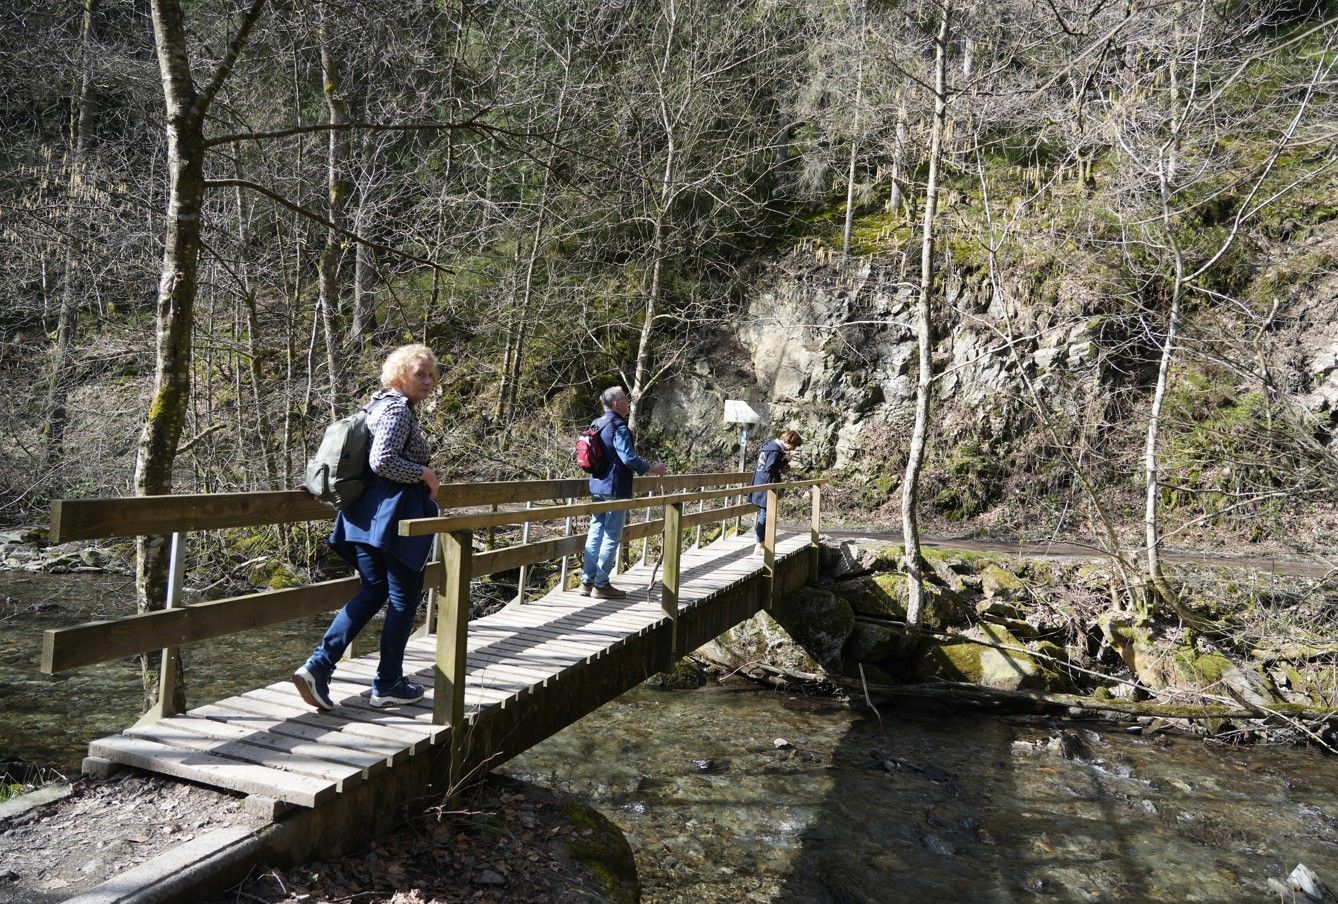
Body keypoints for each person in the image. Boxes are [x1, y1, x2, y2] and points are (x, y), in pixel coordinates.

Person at [294, 344, 442, 711]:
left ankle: (318, 666)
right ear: (400, 375)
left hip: (363, 517)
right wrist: (423, 472)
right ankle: (388, 683)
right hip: (391, 520)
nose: (427, 381)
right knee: (404, 599)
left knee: (373, 591)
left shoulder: (374, 405)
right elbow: (383, 461)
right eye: (419, 374)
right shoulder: (397, 410)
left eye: (430, 375)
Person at [580, 386, 667, 599]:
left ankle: (587, 581)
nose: (628, 402)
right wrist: (653, 469)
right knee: (611, 535)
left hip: (597, 486)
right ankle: (601, 584)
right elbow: (628, 457)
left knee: (596, 531)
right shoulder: (619, 426)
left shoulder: (597, 423)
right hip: (615, 487)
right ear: (617, 403)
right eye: (625, 399)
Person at [749, 429, 803, 554]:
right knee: (765, 514)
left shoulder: (769, 445)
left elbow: (770, 466)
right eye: (793, 446)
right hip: (766, 485)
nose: (792, 449)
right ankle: (759, 544)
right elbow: (770, 468)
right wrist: (785, 461)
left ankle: (760, 542)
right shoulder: (776, 450)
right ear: (789, 442)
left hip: (759, 482)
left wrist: (782, 466)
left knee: (764, 513)